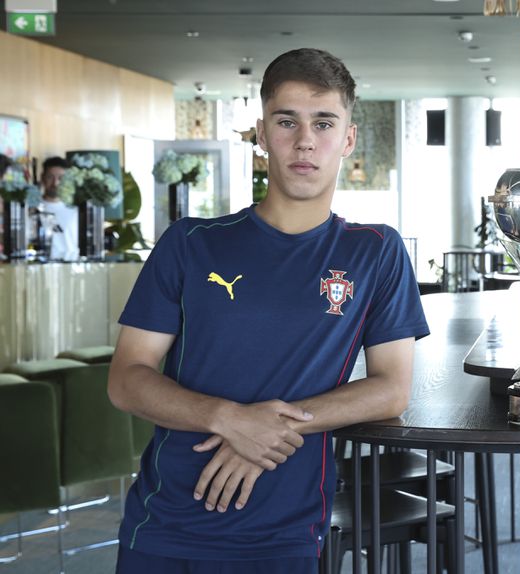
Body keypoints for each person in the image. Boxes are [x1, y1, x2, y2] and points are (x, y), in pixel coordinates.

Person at [107, 48, 429, 573]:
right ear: (262, 134)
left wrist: (274, 429)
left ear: (347, 138)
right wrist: (229, 419)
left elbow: (392, 388)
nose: (305, 140)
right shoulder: (191, 243)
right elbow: (125, 378)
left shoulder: (375, 252)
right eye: (287, 121)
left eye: (324, 123)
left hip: (286, 530)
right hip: (165, 526)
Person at [37, 156, 80, 261]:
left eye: (61, 178)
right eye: (50, 177)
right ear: (42, 178)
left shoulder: (76, 210)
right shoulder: (31, 208)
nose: (55, 183)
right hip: (40, 267)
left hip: (71, 268)